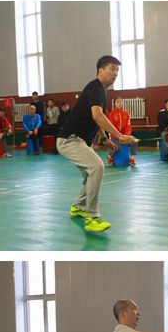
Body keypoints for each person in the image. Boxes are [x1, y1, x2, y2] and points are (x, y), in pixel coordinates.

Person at [57, 55, 136, 233]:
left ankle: (78, 207)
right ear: (100, 70)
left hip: (80, 141)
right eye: (112, 69)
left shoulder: (100, 91)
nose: (115, 73)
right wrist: (119, 135)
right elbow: (98, 116)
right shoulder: (96, 88)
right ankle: (92, 218)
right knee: (97, 167)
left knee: (89, 174)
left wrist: (104, 138)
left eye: (117, 70)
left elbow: (95, 118)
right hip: (69, 140)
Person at [107, 97, 137, 166]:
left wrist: (126, 136)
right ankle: (110, 156)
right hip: (115, 136)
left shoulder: (126, 114)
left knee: (135, 140)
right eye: (117, 102)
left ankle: (132, 159)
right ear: (114, 104)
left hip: (125, 136)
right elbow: (112, 128)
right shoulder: (111, 114)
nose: (119, 103)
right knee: (117, 147)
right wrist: (119, 137)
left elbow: (128, 127)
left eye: (121, 101)